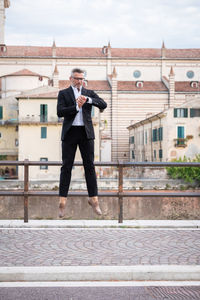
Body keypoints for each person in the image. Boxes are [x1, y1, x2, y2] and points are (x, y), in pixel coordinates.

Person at [57, 68, 107, 218]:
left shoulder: (89, 93)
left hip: (86, 134)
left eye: (82, 79)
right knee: (66, 167)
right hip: (70, 133)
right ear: (70, 78)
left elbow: (103, 104)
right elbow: (60, 112)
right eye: (77, 78)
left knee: (89, 167)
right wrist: (76, 107)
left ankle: (94, 201)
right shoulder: (63, 93)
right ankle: (62, 203)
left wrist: (88, 100)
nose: (79, 81)